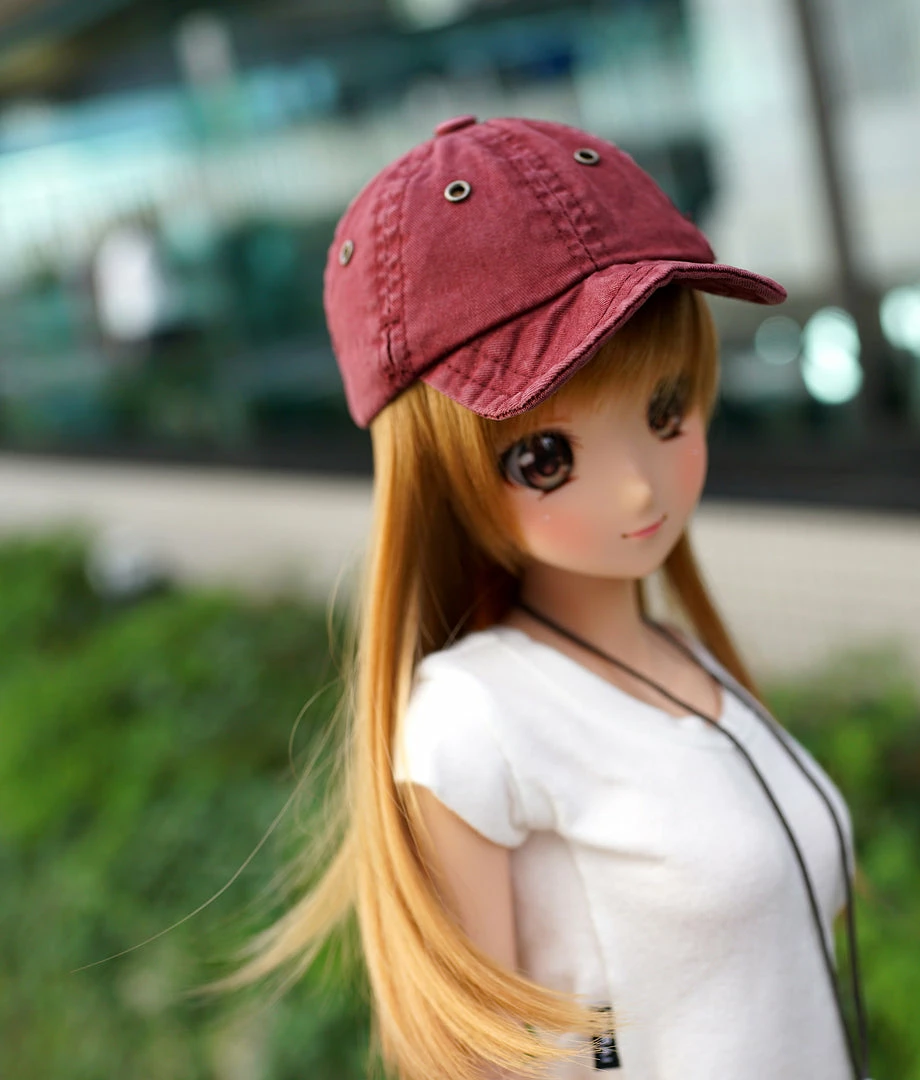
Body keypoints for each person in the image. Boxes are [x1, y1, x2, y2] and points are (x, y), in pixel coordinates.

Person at [228, 116, 864, 1080]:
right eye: (546, 457)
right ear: (437, 473)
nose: (640, 488)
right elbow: (468, 1060)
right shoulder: (476, 719)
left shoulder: (680, 658)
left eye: (666, 410)